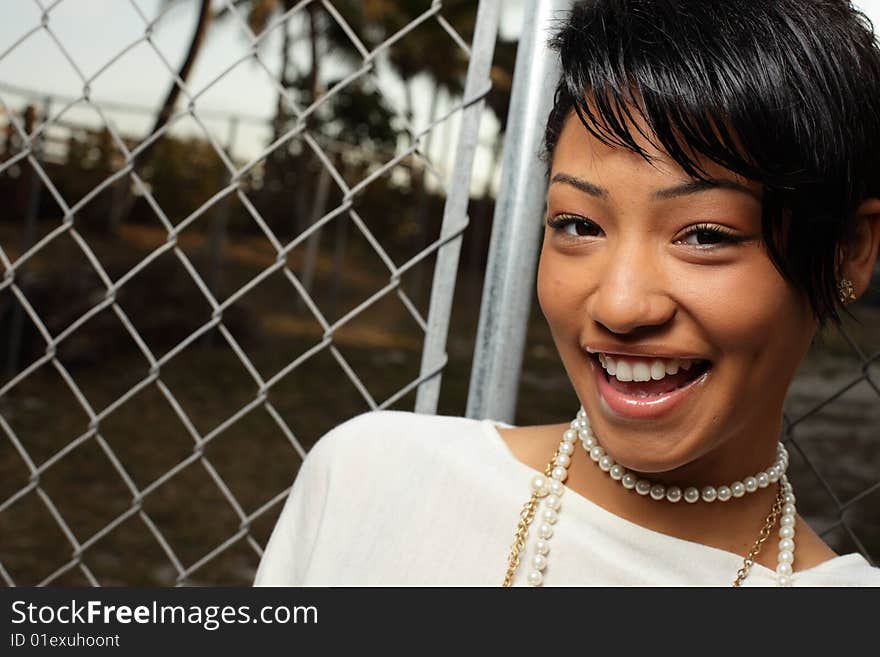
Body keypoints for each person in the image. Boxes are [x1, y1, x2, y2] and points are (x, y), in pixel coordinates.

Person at [254, 0, 880, 586]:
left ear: (848, 249)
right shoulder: (372, 479)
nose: (620, 305)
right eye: (578, 225)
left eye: (705, 235)